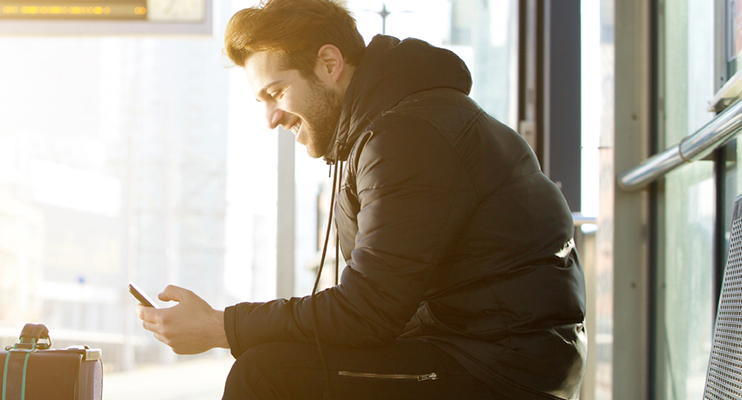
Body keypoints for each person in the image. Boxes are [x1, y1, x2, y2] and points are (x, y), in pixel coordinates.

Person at [134, 0, 587, 399]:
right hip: (489, 351)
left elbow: (365, 313)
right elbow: (373, 307)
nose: (271, 117)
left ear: (329, 63)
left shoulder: (406, 136)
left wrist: (219, 326)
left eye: (275, 93)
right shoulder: (391, 126)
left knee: (266, 374)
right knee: (284, 361)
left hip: (500, 369)